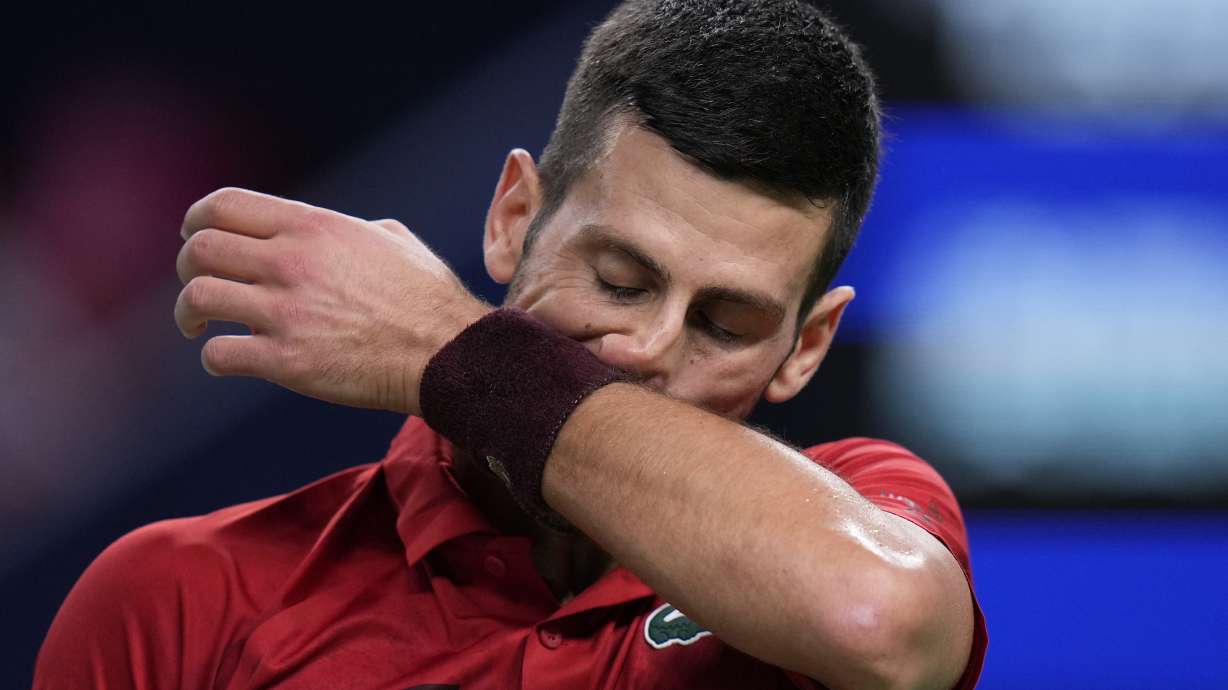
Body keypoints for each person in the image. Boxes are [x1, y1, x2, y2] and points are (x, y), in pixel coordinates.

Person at [35, 1, 987, 688]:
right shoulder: (181, 599)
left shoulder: (864, 508)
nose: (650, 347)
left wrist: (450, 345)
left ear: (806, 347)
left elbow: (877, 622)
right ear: (511, 218)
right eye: (619, 279)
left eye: (724, 325)